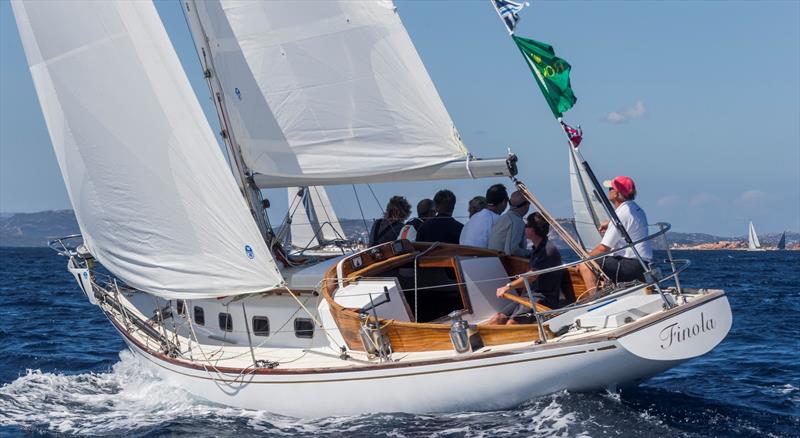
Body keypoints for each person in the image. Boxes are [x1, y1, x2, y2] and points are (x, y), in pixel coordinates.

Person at [488, 212, 572, 324]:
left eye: (527, 225)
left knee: (512, 324)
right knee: (498, 318)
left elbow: (532, 275)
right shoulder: (535, 250)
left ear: (532, 230)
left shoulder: (548, 250)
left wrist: (508, 286)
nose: (525, 227)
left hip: (542, 299)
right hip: (528, 297)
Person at [578, 175, 653, 291]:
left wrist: (584, 258)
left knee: (586, 264)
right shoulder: (636, 209)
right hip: (644, 265)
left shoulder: (620, 215)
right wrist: (610, 224)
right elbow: (628, 223)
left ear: (616, 194)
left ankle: (594, 302)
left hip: (632, 266)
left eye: (610, 189)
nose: (608, 191)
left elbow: (604, 249)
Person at [488, 190, 531, 257]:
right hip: (502, 264)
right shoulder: (516, 221)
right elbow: (511, 250)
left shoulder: (502, 218)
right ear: (526, 205)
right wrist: (531, 253)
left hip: (493, 261)